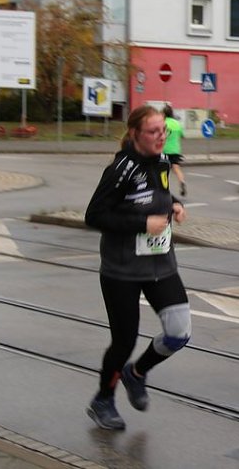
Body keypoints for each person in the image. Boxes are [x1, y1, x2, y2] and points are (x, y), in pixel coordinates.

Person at [84, 105, 191, 430]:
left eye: (164, 131)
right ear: (134, 134)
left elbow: (158, 193)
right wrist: (142, 223)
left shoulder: (162, 160)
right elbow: (95, 216)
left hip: (161, 263)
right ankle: (103, 400)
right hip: (123, 270)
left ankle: (137, 372)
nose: (161, 137)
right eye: (153, 132)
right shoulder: (121, 169)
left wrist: (175, 205)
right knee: (124, 342)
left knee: (179, 332)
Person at [163, 104, 187, 197]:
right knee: (176, 168)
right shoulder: (177, 123)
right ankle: (182, 181)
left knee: (163, 170)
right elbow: (183, 136)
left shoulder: (163, 123)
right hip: (175, 150)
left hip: (164, 150)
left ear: (164, 114)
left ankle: (164, 189)